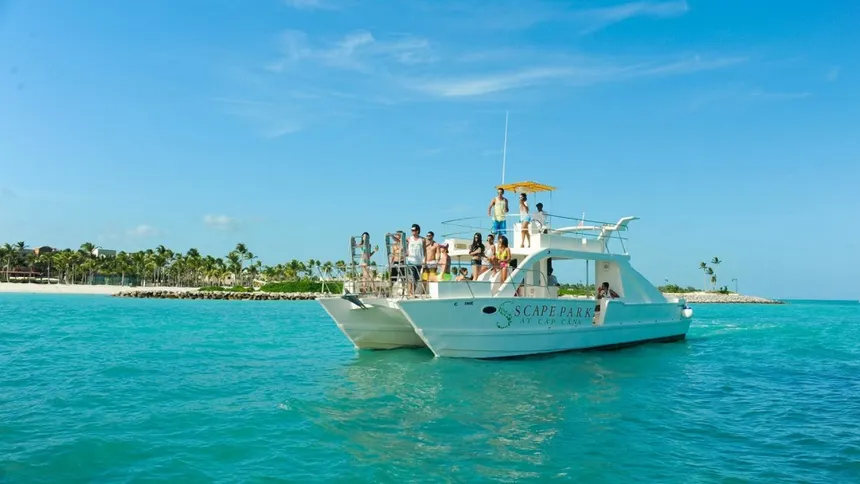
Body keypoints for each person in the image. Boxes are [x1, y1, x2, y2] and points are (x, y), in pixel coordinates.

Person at [405, 224, 425, 295]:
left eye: (414, 230)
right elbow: (399, 240)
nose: (412, 231)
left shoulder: (422, 239)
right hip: (411, 262)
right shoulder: (409, 239)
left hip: (419, 262)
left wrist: (424, 260)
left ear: (418, 231)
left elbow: (425, 250)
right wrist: (392, 236)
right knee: (411, 278)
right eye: (412, 230)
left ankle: (412, 293)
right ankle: (410, 293)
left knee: (416, 279)